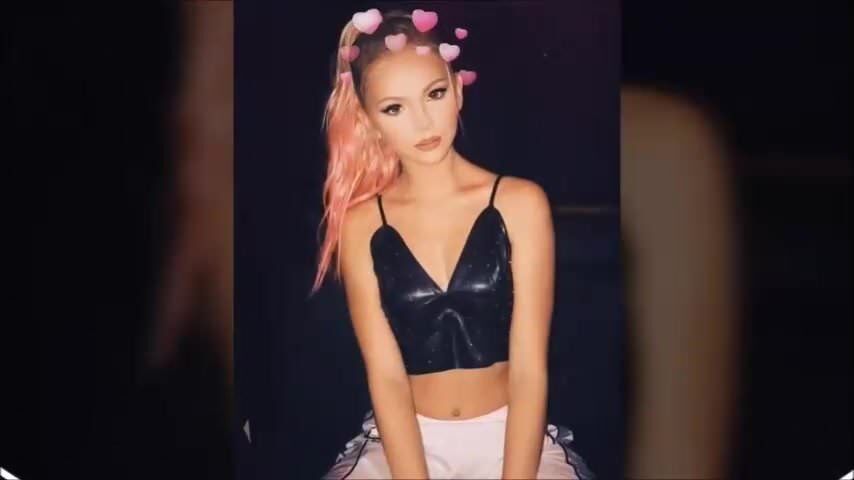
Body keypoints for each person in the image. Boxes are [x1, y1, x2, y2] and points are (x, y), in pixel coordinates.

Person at [310, 9, 595, 479]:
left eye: (435, 93)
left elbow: (529, 371)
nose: (423, 121)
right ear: (368, 119)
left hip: (512, 434)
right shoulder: (361, 223)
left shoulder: (521, 203)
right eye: (394, 107)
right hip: (402, 440)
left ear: (458, 90)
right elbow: (386, 377)